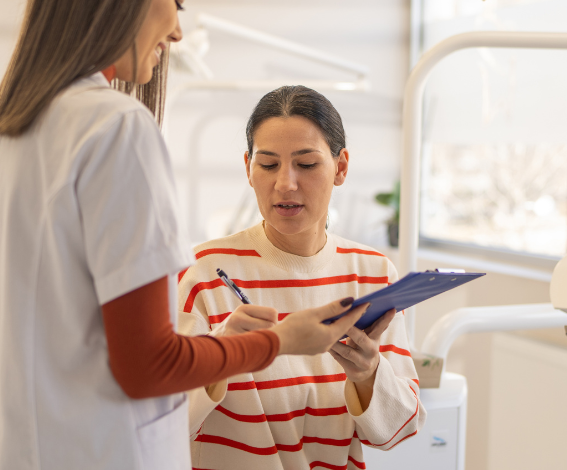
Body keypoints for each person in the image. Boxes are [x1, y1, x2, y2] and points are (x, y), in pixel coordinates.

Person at [0, 1, 368, 469]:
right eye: (177, 3)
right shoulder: (116, 126)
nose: (177, 31)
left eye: (307, 164)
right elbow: (149, 365)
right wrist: (285, 340)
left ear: (340, 167)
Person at [176, 86, 425, 470]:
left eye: (306, 164)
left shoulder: (372, 273)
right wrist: (221, 353)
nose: (285, 184)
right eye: (268, 164)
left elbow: (398, 430)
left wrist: (367, 373)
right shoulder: (203, 272)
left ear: (341, 167)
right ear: (247, 167)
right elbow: (160, 425)